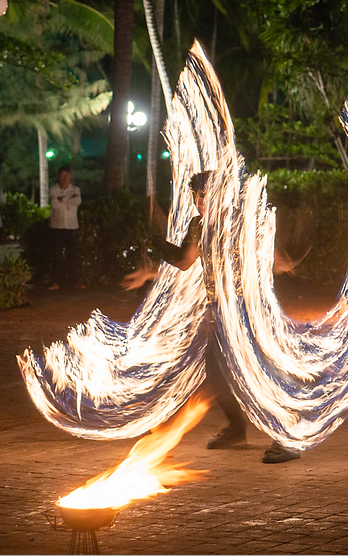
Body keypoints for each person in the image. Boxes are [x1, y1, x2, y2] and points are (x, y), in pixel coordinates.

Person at [122, 172, 301, 464]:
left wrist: (279, 262)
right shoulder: (198, 226)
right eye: (198, 196)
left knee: (261, 374)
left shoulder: (241, 222)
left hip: (247, 310)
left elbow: (266, 255)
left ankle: (286, 437)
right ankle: (236, 428)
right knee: (217, 376)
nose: (201, 201)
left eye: (208, 195)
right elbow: (185, 260)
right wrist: (151, 262)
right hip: (217, 310)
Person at [49, 165, 83, 290]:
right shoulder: (53, 189)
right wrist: (68, 201)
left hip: (71, 226)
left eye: (66, 175)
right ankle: (56, 281)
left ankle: (75, 281)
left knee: (72, 255)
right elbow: (54, 204)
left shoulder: (75, 189)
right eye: (62, 175)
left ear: (70, 176)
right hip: (57, 227)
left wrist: (62, 200)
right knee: (57, 255)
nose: (64, 178)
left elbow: (77, 201)